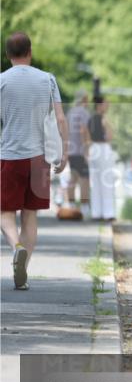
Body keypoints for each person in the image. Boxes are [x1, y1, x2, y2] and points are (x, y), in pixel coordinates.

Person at [1, 32, 69, 290]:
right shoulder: (47, 80)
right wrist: (64, 152)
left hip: (10, 156)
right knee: (30, 216)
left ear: (8, 55)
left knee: (5, 213)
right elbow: (60, 119)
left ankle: (15, 247)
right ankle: (23, 271)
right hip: (39, 159)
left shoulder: (2, 82)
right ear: (30, 51)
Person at [84, 95, 116, 221]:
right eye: (105, 103)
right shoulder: (103, 119)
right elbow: (109, 137)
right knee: (107, 181)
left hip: (93, 150)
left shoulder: (89, 119)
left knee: (95, 182)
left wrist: (87, 153)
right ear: (99, 105)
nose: (107, 105)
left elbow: (86, 137)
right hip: (103, 149)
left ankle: (96, 213)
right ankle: (108, 213)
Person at [63, 89, 91, 215]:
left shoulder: (70, 112)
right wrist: (86, 149)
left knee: (73, 178)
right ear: (84, 99)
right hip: (80, 150)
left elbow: (65, 131)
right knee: (84, 179)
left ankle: (71, 204)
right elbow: (83, 130)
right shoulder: (84, 113)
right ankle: (85, 207)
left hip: (71, 150)